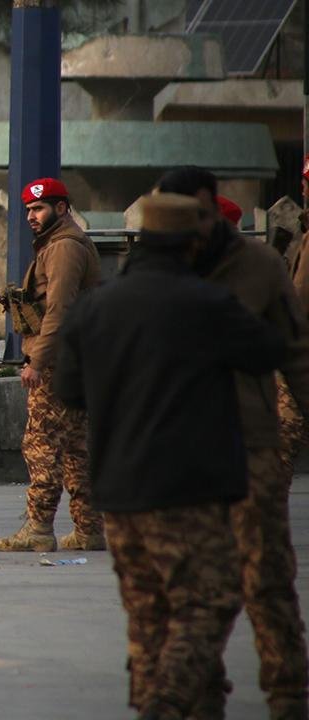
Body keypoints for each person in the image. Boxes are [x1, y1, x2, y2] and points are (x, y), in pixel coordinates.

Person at [54, 193, 287, 720]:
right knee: (209, 599)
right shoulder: (209, 305)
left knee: (146, 611)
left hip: (120, 487)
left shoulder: (97, 306)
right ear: (193, 244)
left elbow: (69, 390)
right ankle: (168, 699)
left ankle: (157, 699)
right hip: (191, 484)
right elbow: (268, 351)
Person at [157, 167, 309, 720]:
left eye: (194, 212)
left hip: (250, 447)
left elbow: (297, 354)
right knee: (189, 585)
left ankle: (287, 695)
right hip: (179, 454)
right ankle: (202, 695)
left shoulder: (259, 266)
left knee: (267, 580)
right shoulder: (157, 267)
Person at [0, 177, 103, 553]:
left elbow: (60, 310)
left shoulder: (64, 248)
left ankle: (39, 528)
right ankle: (89, 529)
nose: (31, 216)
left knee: (41, 443)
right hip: (75, 358)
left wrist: (37, 361)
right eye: (28, 210)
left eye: (39, 208)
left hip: (58, 361)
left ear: (61, 208)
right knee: (76, 446)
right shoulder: (60, 244)